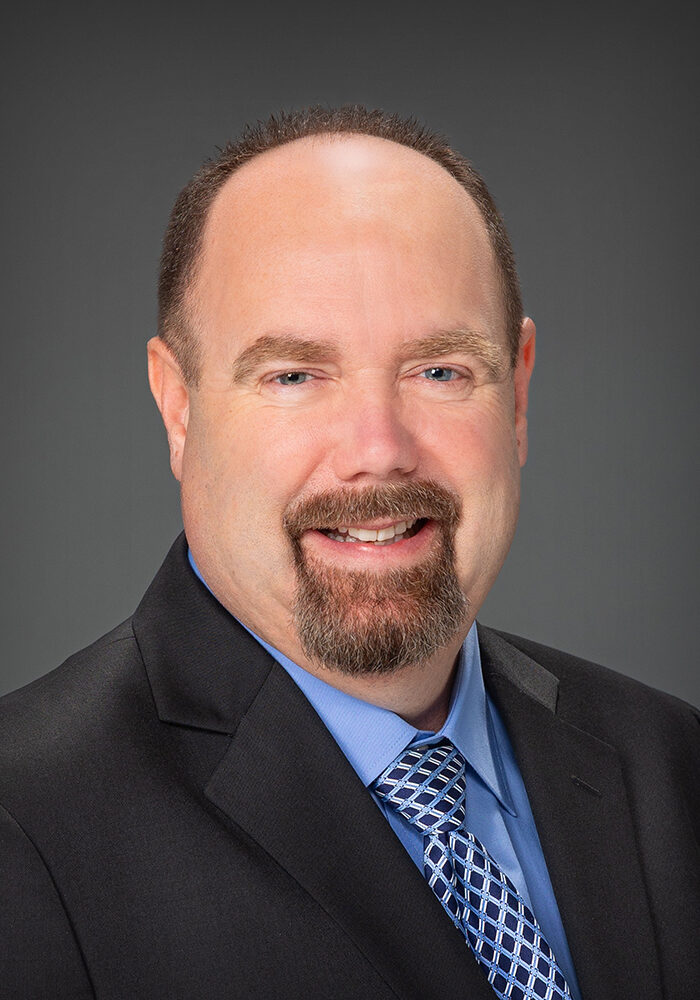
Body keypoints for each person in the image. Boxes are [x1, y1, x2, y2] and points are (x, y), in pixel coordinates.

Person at [1, 106, 697, 1000]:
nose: (378, 446)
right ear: (178, 406)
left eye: (440, 370)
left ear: (517, 396)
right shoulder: (25, 828)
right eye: (294, 375)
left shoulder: (669, 762)